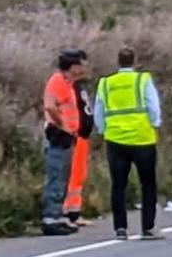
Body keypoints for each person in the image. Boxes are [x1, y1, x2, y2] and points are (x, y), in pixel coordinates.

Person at [95, 46, 163, 241]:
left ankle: (120, 228)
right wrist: (155, 124)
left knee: (118, 185)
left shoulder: (106, 83)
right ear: (134, 61)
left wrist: (103, 130)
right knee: (148, 184)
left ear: (118, 62)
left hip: (115, 139)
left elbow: (99, 110)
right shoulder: (142, 80)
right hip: (142, 138)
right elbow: (153, 106)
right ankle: (148, 227)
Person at [39, 50, 90, 236]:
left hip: (68, 136)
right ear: (73, 65)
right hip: (58, 136)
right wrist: (61, 124)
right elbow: (50, 105)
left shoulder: (68, 83)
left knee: (63, 177)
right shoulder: (58, 81)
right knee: (56, 176)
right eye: (80, 64)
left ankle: (58, 214)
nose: (83, 68)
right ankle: (51, 217)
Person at [64, 67, 96, 227]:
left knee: (79, 175)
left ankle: (74, 211)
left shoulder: (80, 88)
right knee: (73, 175)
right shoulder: (70, 88)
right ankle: (69, 212)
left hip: (82, 137)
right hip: (75, 136)